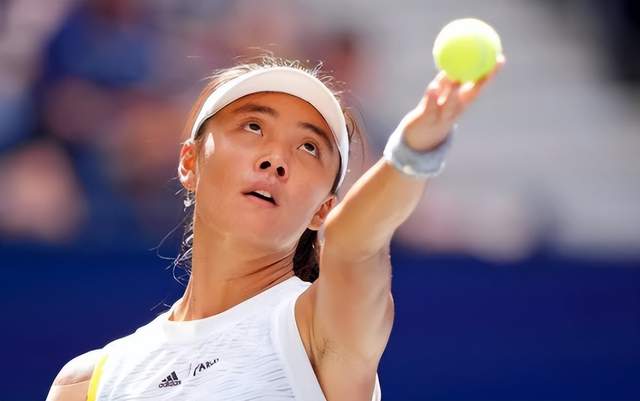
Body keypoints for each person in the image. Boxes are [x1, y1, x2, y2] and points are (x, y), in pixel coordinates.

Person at [46, 55, 504, 401]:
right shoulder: (85, 383)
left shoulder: (322, 327)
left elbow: (353, 244)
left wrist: (415, 149)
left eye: (308, 147)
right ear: (189, 162)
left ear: (323, 210)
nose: (276, 159)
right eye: (252, 127)